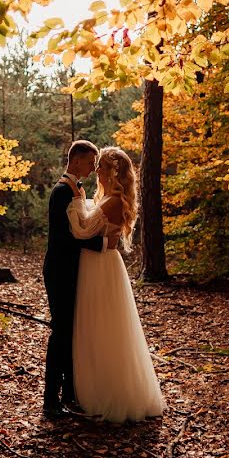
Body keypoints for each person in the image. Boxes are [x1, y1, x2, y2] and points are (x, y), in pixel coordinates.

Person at [64, 146, 166, 423]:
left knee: (101, 327)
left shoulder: (112, 201)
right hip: (100, 263)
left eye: (101, 167)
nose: (96, 170)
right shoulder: (108, 198)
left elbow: (82, 230)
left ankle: (105, 392)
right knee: (98, 325)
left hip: (100, 266)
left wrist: (75, 203)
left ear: (113, 172)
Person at [42, 140, 106, 418]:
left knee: (72, 332)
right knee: (61, 333)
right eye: (91, 162)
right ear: (77, 160)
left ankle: (69, 393)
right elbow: (63, 238)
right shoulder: (60, 192)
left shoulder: (76, 189)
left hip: (73, 269)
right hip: (59, 270)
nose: (93, 168)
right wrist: (100, 245)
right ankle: (50, 400)